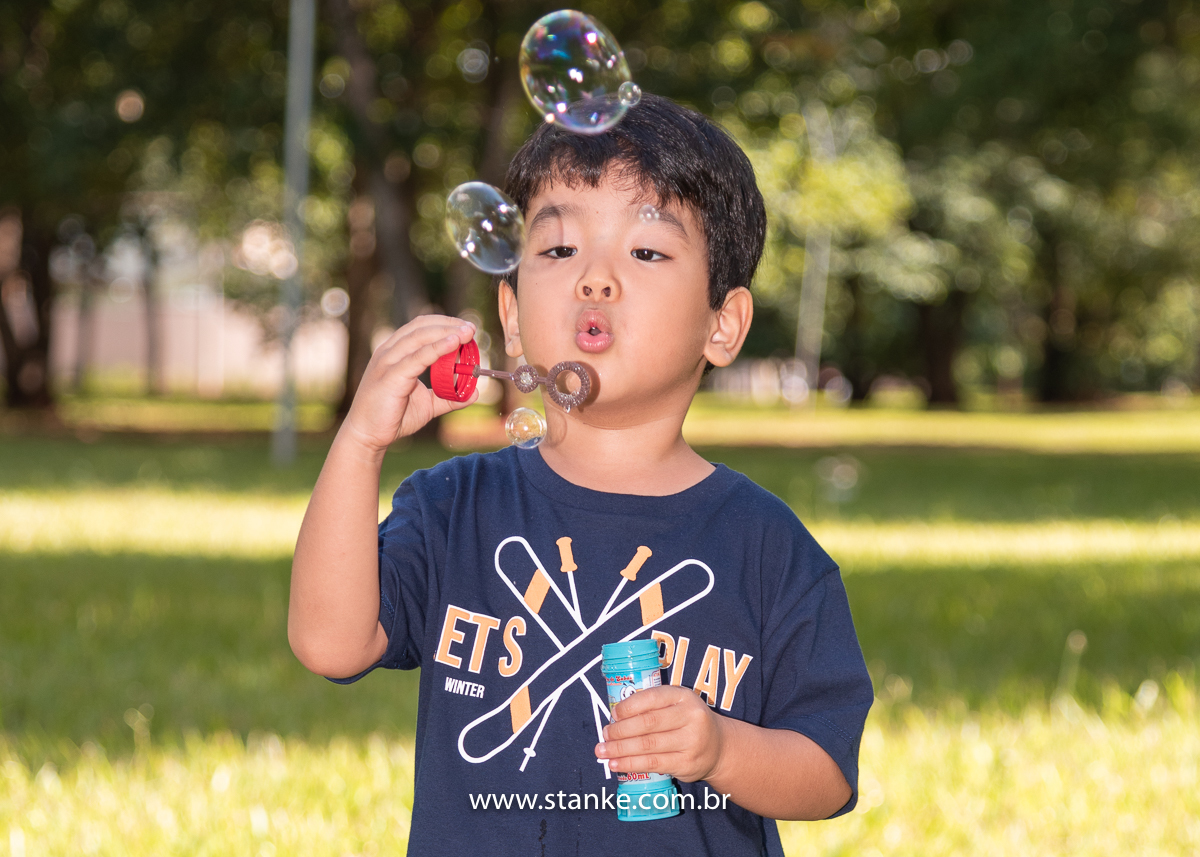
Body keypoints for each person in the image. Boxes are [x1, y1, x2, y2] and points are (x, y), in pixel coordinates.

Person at [288, 94, 873, 856]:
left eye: (647, 251)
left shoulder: (765, 545)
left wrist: (723, 749)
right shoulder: (453, 506)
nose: (594, 278)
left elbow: (825, 772)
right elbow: (330, 643)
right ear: (511, 311)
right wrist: (361, 442)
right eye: (560, 250)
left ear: (722, 324)